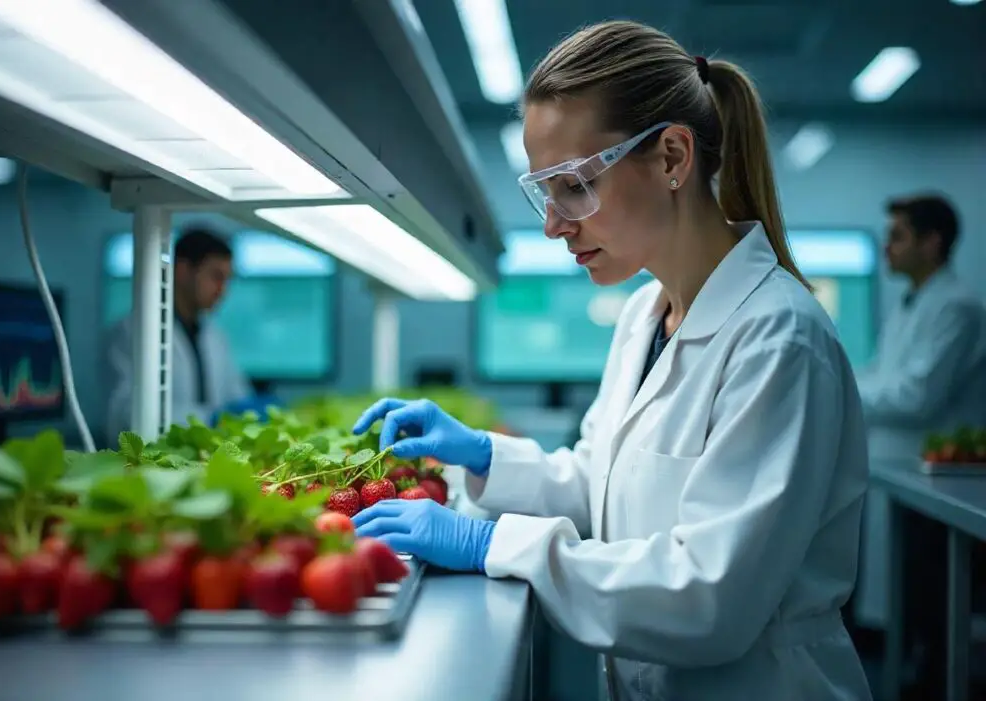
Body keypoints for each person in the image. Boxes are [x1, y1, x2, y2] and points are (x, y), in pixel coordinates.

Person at [351, 20, 872, 701]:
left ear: (672, 158)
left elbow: (710, 597)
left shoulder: (779, 340)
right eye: (544, 190)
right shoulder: (643, 316)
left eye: (573, 184)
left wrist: (492, 546)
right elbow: (602, 488)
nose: (554, 223)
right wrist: (483, 455)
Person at [850, 194, 986, 696]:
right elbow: (884, 376)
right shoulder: (914, 301)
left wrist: (841, 387)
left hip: (936, 483)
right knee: (904, 607)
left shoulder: (959, 307)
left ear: (933, 242)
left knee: (929, 610)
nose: (888, 245)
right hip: (898, 476)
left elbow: (917, 396)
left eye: (899, 235)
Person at [104, 226, 276, 439]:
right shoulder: (132, 332)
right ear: (183, 270)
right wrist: (210, 418)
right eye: (216, 276)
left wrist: (252, 409)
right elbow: (126, 413)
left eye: (227, 279)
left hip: (203, 457)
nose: (223, 289)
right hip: (151, 460)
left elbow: (236, 396)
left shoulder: (215, 336)